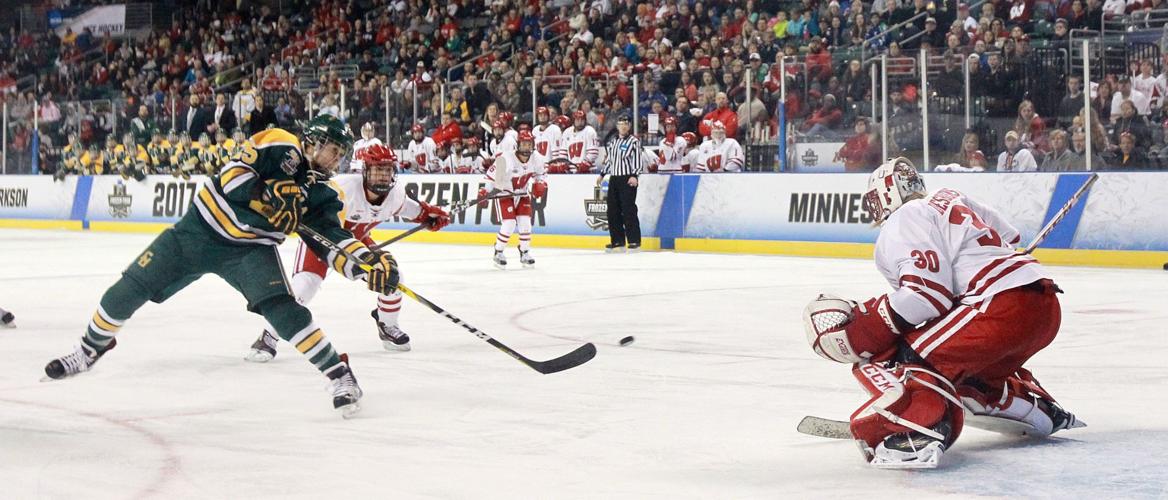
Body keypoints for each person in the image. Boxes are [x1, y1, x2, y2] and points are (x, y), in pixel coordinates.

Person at [42, 115, 393, 418]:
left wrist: (365, 266)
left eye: (341, 154)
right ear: (314, 142)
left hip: (250, 250)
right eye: (334, 150)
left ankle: (339, 374)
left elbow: (330, 241)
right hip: (195, 233)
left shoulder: (325, 194)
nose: (337, 160)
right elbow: (232, 175)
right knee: (128, 288)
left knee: (284, 312)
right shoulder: (280, 143)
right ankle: (90, 349)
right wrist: (266, 196)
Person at [802, 158, 1085, 469]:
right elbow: (1011, 237)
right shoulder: (951, 196)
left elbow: (927, 296)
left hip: (998, 308)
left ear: (884, 195)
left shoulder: (904, 217)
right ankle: (1037, 409)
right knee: (969, 380)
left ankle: (916, 433)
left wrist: (873, 324)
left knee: (904, 358)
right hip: (1043, 307)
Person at [246, 144, 451, 361]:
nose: (382, 176)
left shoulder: (396, 195)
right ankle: (268, 336)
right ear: (365, 170)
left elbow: (418, 211)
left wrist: (430, 216)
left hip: (356, 245)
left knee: (392, 276)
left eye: (387, 170)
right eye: (377, 170)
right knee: (303, 289)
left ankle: (387, 325)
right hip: (320, 242)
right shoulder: (342, 189)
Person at [479, 130, 548, 268]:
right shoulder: (506, 158)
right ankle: (498, 251)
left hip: (522, 194)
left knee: (525, 223)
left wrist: (540, 183)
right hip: (504, 193)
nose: (527, 147)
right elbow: (491, 177)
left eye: (529, 144)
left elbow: (541, 174)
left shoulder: (537, 158)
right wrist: (484, 191)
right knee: (509, 223)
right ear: (518, 145)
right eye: (524, 144)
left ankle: (524, 252)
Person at [599, 114, 643, 252]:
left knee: (629, 210)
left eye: (626, 123)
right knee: (613, 210)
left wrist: (635, 175)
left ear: (629, 126)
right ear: (617, 126)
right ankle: (617, 240)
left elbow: (637, 160)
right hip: (614, 179)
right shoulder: (613, 142)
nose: (623, 126)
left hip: (627, 178)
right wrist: (602, 174)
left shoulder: (633, 142)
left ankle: (634, 240)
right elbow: (610, 161)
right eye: (620, 123)